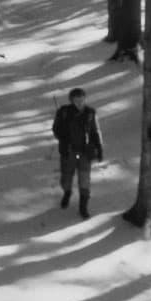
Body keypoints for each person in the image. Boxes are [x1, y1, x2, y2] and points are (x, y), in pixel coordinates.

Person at [52, 88, 103, 219]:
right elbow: (56, 130)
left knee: (84, 180)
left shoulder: (90, 113)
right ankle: (67, 192)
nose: (80, 103)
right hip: (68, 152)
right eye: (76, 101)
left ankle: (83, 207)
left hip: (85, 152)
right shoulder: (63, 112)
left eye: (82, 100)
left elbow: (95, 132)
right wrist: (63, 136)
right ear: (71, 101)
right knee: (66, 178)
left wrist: (99, 148)